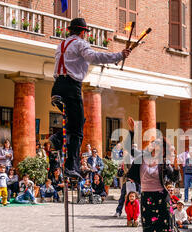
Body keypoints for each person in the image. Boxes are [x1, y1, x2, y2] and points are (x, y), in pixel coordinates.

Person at [49, 17, 131, 179]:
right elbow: (94, 57)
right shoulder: (80, 43)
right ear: (82, 32)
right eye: (85, 32)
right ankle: (70, 166)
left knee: (75, 122)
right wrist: (119, 55)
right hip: (71, 87)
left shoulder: (62, 44)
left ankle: (58, 138)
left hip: (57, 86)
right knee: (78, 131)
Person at [124, 117, 185, 232]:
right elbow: (128, 147)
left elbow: (174, 179)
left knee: (171, 228)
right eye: (153, 144)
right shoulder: (141, 158)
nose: (153, 147)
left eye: (157, 146)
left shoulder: (163, 163)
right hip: (146, 198)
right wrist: (132, 131)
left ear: (162, 150)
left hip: (162, 198)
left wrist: (177, 167)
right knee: (147, 231)